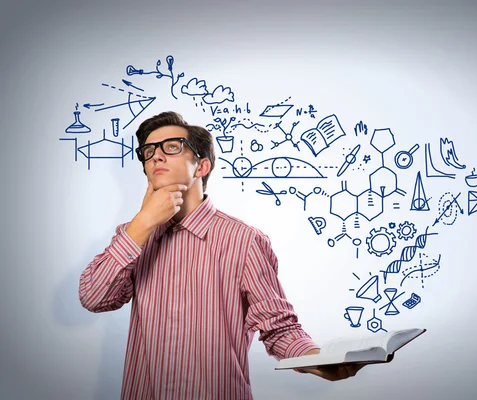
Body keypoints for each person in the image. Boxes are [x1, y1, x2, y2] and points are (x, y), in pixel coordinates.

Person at [79, 111, 363, 399]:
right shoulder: (133, 235)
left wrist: (317, 360)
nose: (156, 156)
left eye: (172, 146)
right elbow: (93, 297)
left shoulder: (244, 241)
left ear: (201, 166)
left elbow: (278, 327)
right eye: (149, 151)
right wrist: (141, 224)